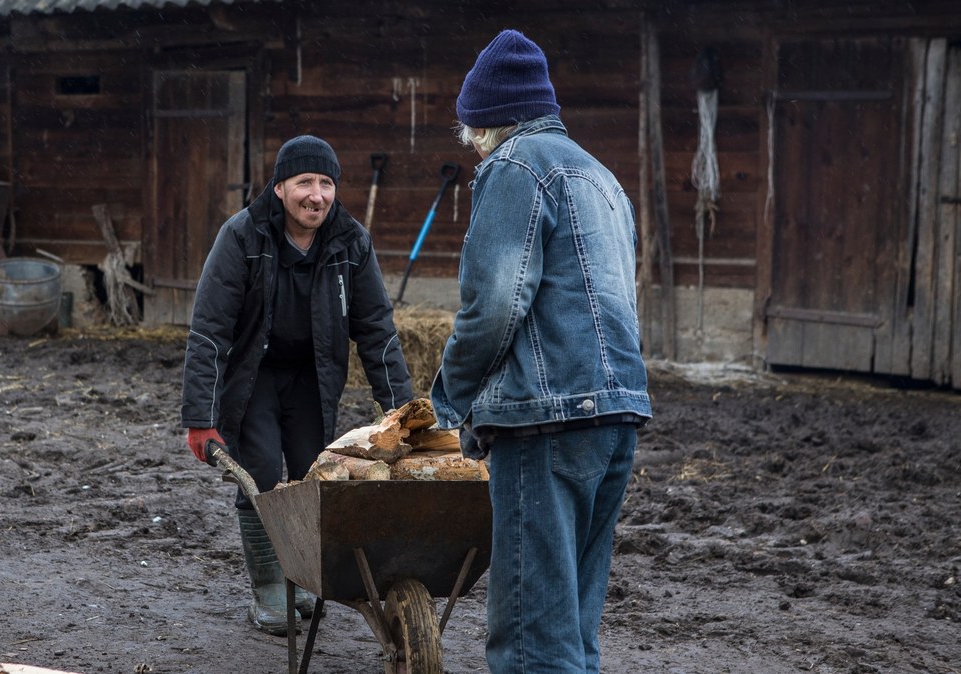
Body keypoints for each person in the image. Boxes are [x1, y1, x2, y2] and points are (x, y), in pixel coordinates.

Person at [429, 29, 652, 673]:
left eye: (469, 132)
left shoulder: (513, 168)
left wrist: (451, 397)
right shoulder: (601, 176)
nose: (470, 148)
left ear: (487, 122)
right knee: (574, 632)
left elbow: (496, 302)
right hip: (616, 415)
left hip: (543, 421)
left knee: (532, 639)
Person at [180, 135, 414, 636]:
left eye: (326, 183)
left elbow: (376, 328)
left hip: (313, 375)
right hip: (255, 376)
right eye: (305, 182)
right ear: (281, 187)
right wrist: (199, 418)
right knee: (261, 471)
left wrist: (403, 412)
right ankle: (268, 586)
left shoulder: (350, 241)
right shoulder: (242, 237)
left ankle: (302, 577)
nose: (317, 195)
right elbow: (209, 329)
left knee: (315, 475)